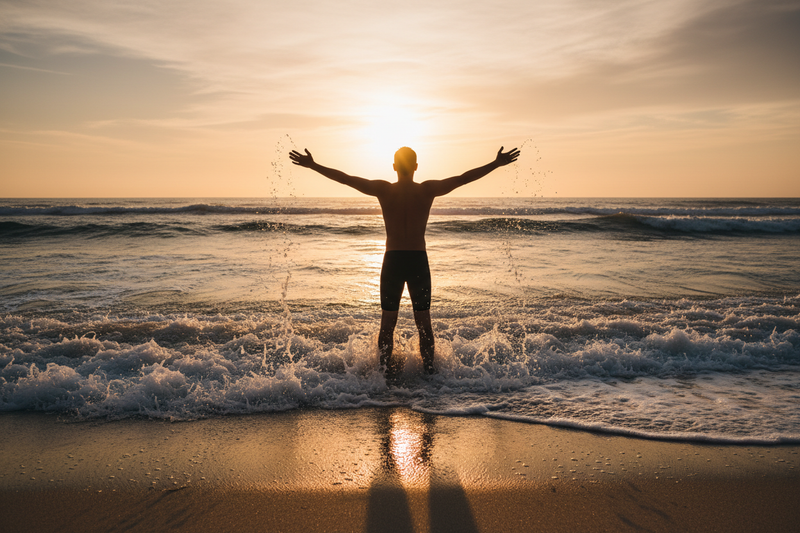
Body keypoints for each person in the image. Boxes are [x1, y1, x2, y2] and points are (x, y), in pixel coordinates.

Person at [289, 145, 520, 379]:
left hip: (393, 261)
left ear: (394, 167)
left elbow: (347, 179)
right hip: (418, 260)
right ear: (416, 167)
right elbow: (462, 179)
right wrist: (495, 164)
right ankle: (430, 374)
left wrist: (314, 165)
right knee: (424, 323)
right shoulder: (427, 190)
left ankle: (383, 375)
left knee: (387, 323)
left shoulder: (383, 190)